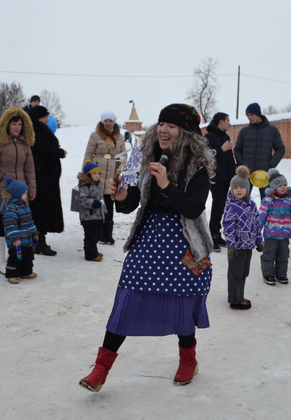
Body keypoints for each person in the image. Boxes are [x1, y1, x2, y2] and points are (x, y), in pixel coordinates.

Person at [79, 103, 215, 392]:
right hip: (150, 239)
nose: (164, 130)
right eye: (162, 124)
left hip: (184, 242)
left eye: (172, 126)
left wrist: (166, 185)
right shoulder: (148, 156)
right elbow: (136, 201)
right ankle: (101, 368)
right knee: (127, 298)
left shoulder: (197, 166)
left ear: (185, 132)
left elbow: (194, 208)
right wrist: (123, 196)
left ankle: (188, 359)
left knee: (183, 302)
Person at [0, 106, 36, 274]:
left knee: (21, 226)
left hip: (21, 192)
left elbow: (29, 168)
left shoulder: (25, 143)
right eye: (14, 124)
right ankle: (1, 261)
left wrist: (32, 189)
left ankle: (17, 261)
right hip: (2, 192)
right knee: (1, 225)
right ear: (6, 124)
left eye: (20, 124)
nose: (17, 127)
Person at [222, 165, 263, 310]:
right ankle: (235, 300)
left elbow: (257, 224)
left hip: (248, 246)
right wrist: (231, 245)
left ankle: (239, 296)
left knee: (244, 273)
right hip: (237, 247)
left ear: (247, 188)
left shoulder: (251, 205)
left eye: (242, 187)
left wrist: (259, 241)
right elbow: (228, 227)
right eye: (235, 187)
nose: (238, 190)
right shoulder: (231, 206)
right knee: (236, 274)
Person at [83, 110, 127, 245]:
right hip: (97, 173)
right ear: (102, 122)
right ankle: (98, 234)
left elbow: (123, 155)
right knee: (97, 204)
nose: (108, 123)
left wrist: (122, 168)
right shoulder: (95, 135)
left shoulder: (119, 137)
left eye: (110, 121)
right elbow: (88, 154)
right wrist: (86, 171)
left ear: (114, 122)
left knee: (109, 205)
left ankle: (108, 234)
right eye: (106, 121)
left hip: (112, 174)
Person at [28, 105, 66, 256]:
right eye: (45, 116)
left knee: (41, 209)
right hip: (43, 179)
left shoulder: (38, 130)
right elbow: (46, 151)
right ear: (39, 118)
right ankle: (39, 243)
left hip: (45, 178)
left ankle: (39, 241)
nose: (47, 119)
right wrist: (59, 152)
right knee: (41, 209)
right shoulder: (38, 131)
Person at [258, 168, 291, 286]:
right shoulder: (268, 201)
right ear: (273, 188)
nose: (283, 187)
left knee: (283, 255)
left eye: (285, 184)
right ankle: (268, 274)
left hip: (284, 236)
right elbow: (260, 218)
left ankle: (281, 273)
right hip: (270, 235)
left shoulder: (290, 202)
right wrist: (255, 233)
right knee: (269, 255)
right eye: (280, 185)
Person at [234, 102, 285, 201]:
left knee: (267, 202)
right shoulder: (244, 131)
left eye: (251, 114)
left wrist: (270, 165)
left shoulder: (272, 130)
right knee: (243, 202)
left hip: (264, 174)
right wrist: (242, 165)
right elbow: (237, 149)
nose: (249, 117)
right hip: (247, 175)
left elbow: (280, 149)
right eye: (247, 115)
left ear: (258, 114)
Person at [205, 112, 235, 252]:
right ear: (221, 121)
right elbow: (206, 156)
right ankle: (212, 235)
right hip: (215, 176)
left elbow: (229, 157)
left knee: (222, 204)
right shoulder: (208, 137)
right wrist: (220, 149)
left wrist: (234, 171)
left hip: (227, 176)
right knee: (218, 203)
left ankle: (217, 233)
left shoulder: (225, 137)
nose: (229, 123)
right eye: (228, 120)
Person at [2, 177, 39, 285]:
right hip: (17, 242)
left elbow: (30, 222)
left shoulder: (24, 206)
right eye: (25, 193)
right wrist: (15, 238)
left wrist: (34, 232)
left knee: (28, 257)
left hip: (27, 239)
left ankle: (26, 272)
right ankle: (12, 275)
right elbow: (10, 225)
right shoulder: (11, 209)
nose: (26, 195)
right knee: (15, 258)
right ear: (17, 194)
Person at [76, 161, 106, 261]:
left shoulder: (98, 186)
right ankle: (90, 254)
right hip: (88, 217)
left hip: (98, 216)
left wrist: (104, 211)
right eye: (94, 173)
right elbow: (82, 200)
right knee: (90, 236)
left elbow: (102, 200)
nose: (97, 176)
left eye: (98, 173)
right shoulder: (85, 187)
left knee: (96, 236)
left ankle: (94, 251)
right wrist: (93, 203)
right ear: (88, 175)